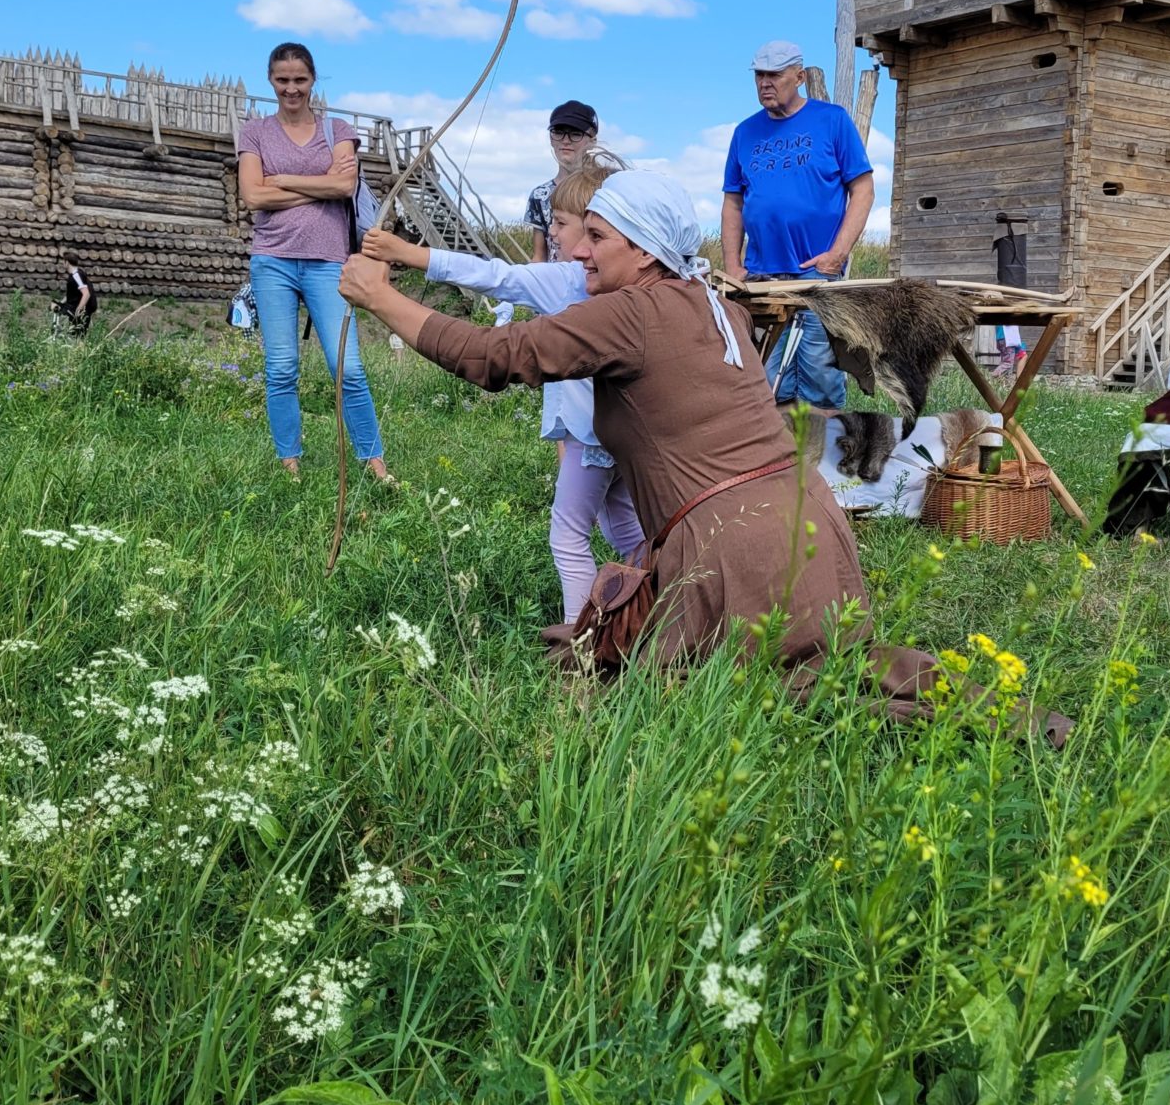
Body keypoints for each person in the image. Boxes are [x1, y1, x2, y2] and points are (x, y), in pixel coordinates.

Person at [338, 174, 1078, 747]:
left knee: (690, 683)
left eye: (595, 236)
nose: (575, 250)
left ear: (642, 246)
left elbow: (495, 356)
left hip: (735, 547)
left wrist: (381, 298)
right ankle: (998, 711)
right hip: (812, 527)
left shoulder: (630, 312)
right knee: (832, 663)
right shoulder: (714, 304)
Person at [361, 150, 645, 623]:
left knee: (568, 535)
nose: (551, 232)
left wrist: (407, 253)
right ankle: (658, 607)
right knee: (626, 532)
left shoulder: (568, 279)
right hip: (619, 440)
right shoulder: (624, 286)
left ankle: (581, 641)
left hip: (590, 440)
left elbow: (494, 275)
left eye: (562, 222)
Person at [235, 41, 390, 482]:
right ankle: (290, 464)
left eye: (299, 80)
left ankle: (374, 462)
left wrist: (281, 178)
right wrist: (318, 182)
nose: (291, 89)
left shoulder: (337, 130)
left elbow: (345, 187)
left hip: (327, 260)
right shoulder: (255, 132)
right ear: (271, 81)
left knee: (350, 367)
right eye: (283, 80)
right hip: (273, 261)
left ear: (312, 80)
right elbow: (252, 195)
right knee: (281, 368)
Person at [721, 41, 875, 407]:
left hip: (817, 279)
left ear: (800, 77)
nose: (765, 83)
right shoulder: (745, 132)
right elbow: (733, 201)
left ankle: (824, 462)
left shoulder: (832, 120)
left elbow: (863, 188)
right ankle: (781, 462)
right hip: (761, 282)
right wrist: (732, 265)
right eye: (759, 75)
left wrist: (837, 254)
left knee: (819, 383)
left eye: (774, 74)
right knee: (765, 384)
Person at [525, 101, 598, 262]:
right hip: (555, 282)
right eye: (558, 132)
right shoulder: (539, 195)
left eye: (576, 133)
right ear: (551, 139)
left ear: (593, 140)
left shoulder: (605, 189)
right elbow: (539, 256)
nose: (566, 140)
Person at [55, 251, 97, 335]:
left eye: (63, 261)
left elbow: (86, 293)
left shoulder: (76, 275)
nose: (63, 263)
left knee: (79, 336)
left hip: (82, 309)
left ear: (67, 262)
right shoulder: (75, 274)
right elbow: (72, 293)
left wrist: (78, 310)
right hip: (74, 306)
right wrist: (61, 302)